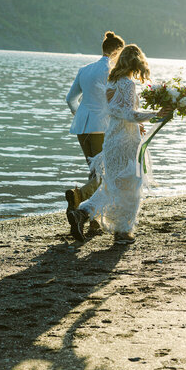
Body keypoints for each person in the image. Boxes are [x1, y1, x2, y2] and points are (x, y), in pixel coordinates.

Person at [67, 44, 174, 244]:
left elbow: (117, 113)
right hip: (125, 142)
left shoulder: (112, 81)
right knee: (131, 187)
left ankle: (82, 213)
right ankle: (123, 232)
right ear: (137, 63)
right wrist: (155, 115)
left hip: (112, 139)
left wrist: (139, 122)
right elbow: (127, 113)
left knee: (111, 185)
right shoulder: (127, 83)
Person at [65, 31, 125, 232]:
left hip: (82, 126)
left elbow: (70, 99)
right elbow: (117, 103)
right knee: (102, 174)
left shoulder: (85, 69)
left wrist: (79, 114)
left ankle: (93, 221)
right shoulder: (114, 71)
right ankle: (79, 197)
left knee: (95, 172)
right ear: (117, 51)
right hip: (102, 127)